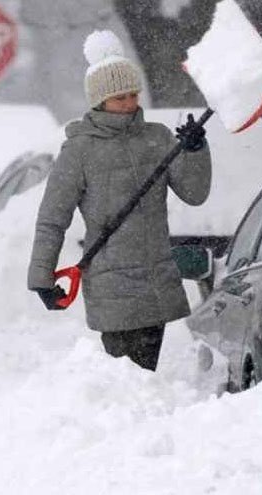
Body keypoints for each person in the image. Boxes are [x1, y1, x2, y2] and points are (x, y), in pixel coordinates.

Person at [27, 30, 212, 371]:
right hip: (112, 285)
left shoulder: (156, 138)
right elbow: (53, 218)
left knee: (143, 376)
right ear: (99, 101)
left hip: (156, 280)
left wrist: (195, 151)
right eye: (118, 98)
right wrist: (41, 277)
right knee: (127, 377)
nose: (128, 104)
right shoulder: (79, 150)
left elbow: (195, 194)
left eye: (132, 94)